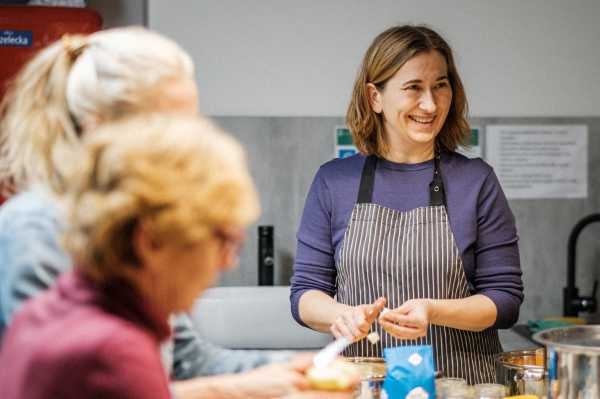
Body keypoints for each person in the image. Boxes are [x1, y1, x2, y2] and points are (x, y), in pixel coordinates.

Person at [0, 26, 311, 394]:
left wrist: (299, 369)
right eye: (168, 126)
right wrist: (231, 389)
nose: (189, 142)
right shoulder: (32, 230)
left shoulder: (144, 242)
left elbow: (185, 359)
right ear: (100, 127)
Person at [0, 115, 353, 398]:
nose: (228, 262)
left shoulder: (58, 313)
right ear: (150, 240)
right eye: (221, 241)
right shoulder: (110, 351)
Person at [290, 25, 524, 384]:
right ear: (375, 98)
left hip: (460, 386)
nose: (430, 104)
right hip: (364, 386)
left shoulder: (476, 181)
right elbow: (306, 293)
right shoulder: (334, 182)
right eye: (414, 87)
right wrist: (342, 315)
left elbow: (504, 300)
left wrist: (433, 311)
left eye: (440, 85)